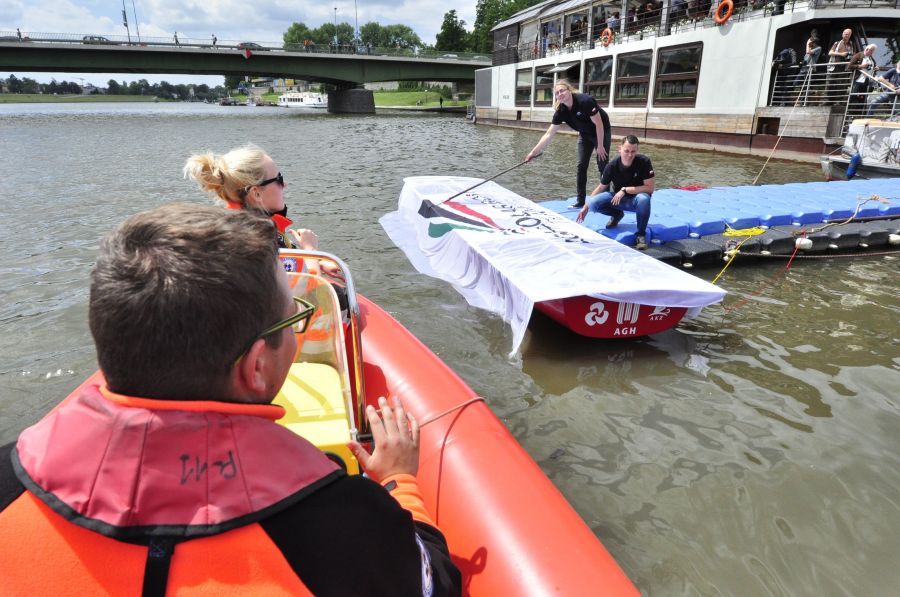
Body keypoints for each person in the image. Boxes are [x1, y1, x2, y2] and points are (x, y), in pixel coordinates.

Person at [0, 203, 462, 596]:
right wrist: (400, 482)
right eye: (293, 320)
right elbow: (434, 583)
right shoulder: (341, 518)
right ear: (257, 366)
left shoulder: (11, 480)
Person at [184, 144, 317, 250]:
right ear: (256, 193)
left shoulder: (234, 227)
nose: (285, 184)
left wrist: (320, 264)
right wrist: (311, 251)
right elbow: (297, 283)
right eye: (279, 179)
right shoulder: (257, 241)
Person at [525, 79, 611, 208]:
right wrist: (532, 153)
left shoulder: (585, 101)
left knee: (602, 164)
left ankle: (606, 200)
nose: (560, 94)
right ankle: (580, 200)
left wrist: (600, 146)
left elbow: (599, 124)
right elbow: (549, 134)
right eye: (557, 93)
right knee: (581, 165)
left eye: (562, 90)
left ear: (569, 90)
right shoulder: (561, 111)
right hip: (584, 133)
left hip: (601, 130)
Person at [576, 135, 655, 250]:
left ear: (637, 150)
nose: (629, 155)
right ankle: (617, 214)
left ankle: (640, 235)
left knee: (644, 198)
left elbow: (649, 188)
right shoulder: (612, 166)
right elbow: (601, 187)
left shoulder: (644, 162)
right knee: (593, 203)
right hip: (618, 200)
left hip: (636, 201)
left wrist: (625, 190)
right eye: (626, 151)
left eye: (633, 151)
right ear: (620, 149)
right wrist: (586, 206)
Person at [826, 28, 854, 103]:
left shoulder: (851, 45)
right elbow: (830, 53)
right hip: (835, 67)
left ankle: (839, 101)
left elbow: (853, 55)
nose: (846, 35)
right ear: (842, 34)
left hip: (844, 68)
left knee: (841, 85)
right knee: (830, 83)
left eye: (848, 34)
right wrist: (841, 54)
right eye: (845, 33)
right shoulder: (837, 43)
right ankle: (829, 101)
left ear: (850, 35)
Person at [848, 44, 878, 109]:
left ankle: (859, 112)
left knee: (863, 96)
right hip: (857, 79)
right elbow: (850, 66)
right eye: (871, 51)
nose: (872, 52)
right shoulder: (858, 55)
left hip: (866, 79)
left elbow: (873, 66)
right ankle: (850, 110)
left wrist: (875, 68)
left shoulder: (871, 58)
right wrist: (860, 66)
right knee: (854, 95)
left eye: (873, 51)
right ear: (867, 49)